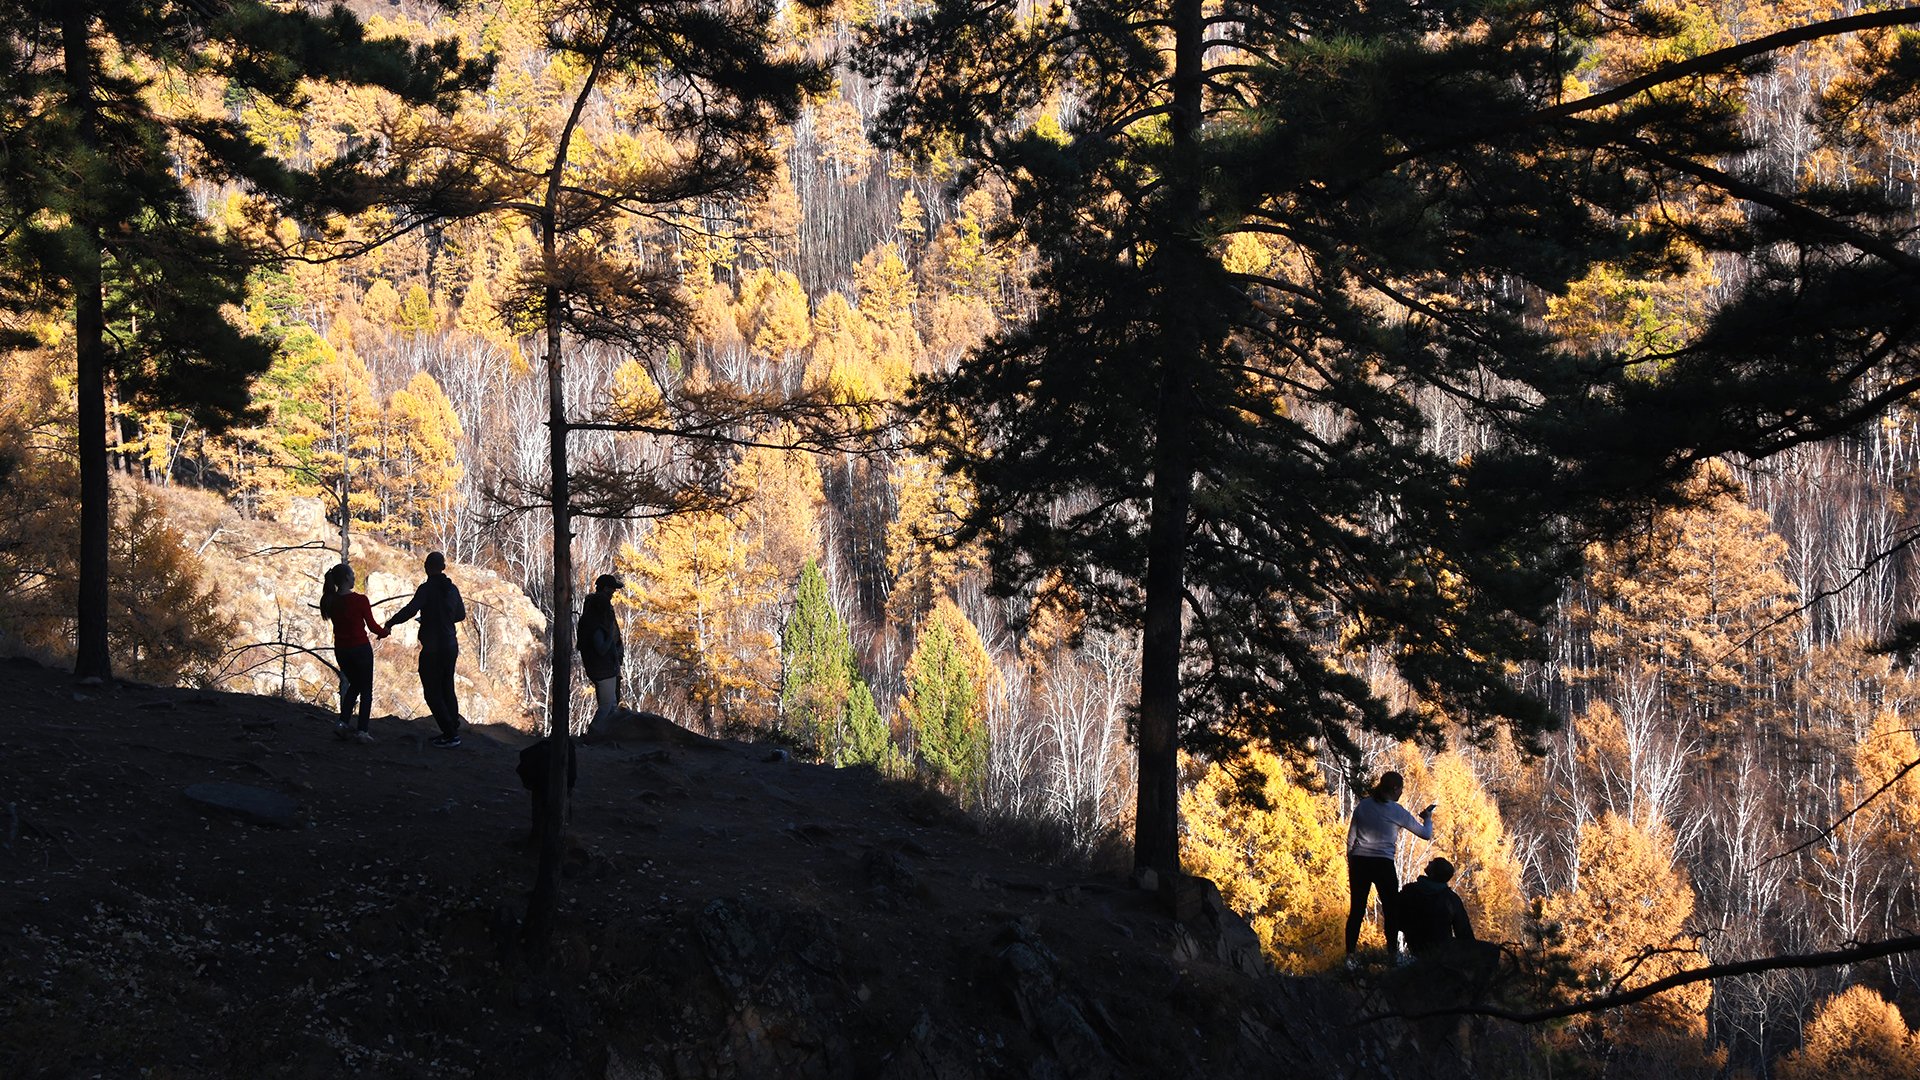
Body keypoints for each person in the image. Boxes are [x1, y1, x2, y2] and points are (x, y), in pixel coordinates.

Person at [1345, 769, 1434, 964]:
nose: (1402, 792)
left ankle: (1350, 955)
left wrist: (1351, 860)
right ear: (1394, 789)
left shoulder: (1363, 806)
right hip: (1383, 863)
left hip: (1359, 862)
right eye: (1401, 789)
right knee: (1391, 909)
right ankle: (1392, 954)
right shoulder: (1397, 811)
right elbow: (1425, 834)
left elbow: (1351, 838)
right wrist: (1427, 818)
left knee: (1357, 910)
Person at [385, 551, 466, 748]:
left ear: (426, 567)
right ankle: (453, 726)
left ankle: (450, 734)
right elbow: (461, 615)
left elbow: (411, 610)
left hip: (433, 648)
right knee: (447, 686)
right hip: (450, 644)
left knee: (431, 691)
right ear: (443, 567)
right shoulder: (452, 589)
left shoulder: (426, 589)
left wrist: (390, 623)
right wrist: (441, 619)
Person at [319, 563, 389, 743]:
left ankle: (342, 723)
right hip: (360, 649)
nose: (354, 578)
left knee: (355, 685)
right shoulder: (360, 600)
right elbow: (372, 626)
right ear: (347, 578)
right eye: (352, 575)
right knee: (366, 690)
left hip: (342, 650)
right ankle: (362, 731)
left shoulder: (331, 601)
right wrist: (385, 632)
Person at [1397, 857, 1476, 956]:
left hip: (1415, 947)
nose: (1429, 861)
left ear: (1433, 873)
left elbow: (1396, 919)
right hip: (1442, 951)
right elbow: (1464, 932)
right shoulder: (1451, 899)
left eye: (1433, 862)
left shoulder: (1410, 890)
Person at [576, 574, 624, 729]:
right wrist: (610, 635)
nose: (614, 593)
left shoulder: (590, 619)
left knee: (611, 705)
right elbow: (602, 649)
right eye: (612, 589)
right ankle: (593, 733)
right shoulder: (597, 626)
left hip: (604, 667)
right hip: (603, 669)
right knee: (607, 706)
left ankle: (603, 734)